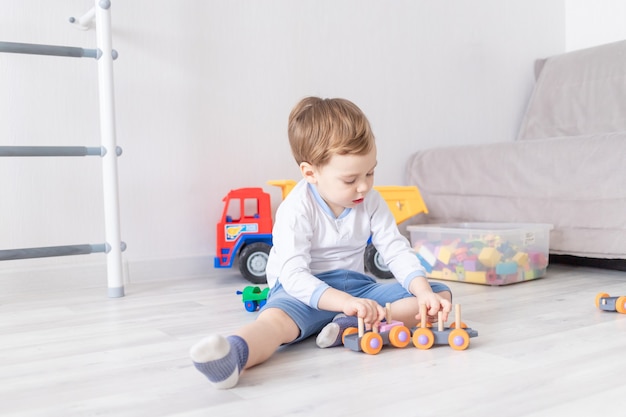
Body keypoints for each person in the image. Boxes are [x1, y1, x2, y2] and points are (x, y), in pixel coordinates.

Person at [190, 96, 452, 389]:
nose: (364, 186)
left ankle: (350, 324)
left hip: (355, 287)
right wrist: (345, 302)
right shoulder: (296, 209)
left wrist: (423, 290)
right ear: (310, 173)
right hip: (302, 291)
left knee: (440, 296)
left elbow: (394, 248)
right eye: (350, 179)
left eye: (370, 172)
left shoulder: (371, 201)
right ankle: (233, 355)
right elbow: (293, 276)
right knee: (273, 325)